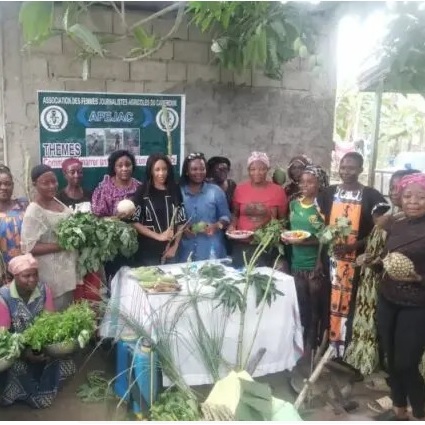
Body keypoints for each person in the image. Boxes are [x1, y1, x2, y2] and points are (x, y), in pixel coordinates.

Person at [345, 169, 419, 378]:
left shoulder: (411, 224)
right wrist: (369, 260)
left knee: (402, 345)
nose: (395, 192)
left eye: (400, 188)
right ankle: (382, 372)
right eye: (392, 188)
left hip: (407, 292)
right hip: (377, 282)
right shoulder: (388, 219)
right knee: (381, 331)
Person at [316, 152, 387, 358]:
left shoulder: (371, 196)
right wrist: (318, 261)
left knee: (353, 305)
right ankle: (329, 347)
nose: (346, 172)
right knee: (329, 303)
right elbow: (322, 229)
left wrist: (355, 245)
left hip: (357, 263)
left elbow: (379, 231)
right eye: (343, 167)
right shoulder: (328, 194)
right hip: (331, 262)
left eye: (352, 168)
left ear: (360, 170)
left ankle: (348, 351)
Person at [375, 173, 425, 420]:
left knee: (406, 363)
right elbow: (389, 258)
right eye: (408, 196)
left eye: (421, 197)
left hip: (416, 305)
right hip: (388, 298)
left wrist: (418, 279)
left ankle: (420, 411)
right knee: (390, 359)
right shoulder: (397, 224)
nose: (414, 201)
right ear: (400, 198)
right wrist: (375, 263)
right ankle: (398, 409)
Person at [0, 254, 75, 408]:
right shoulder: (4, 297)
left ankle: (43, 392)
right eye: (26, 276)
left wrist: (46, 345)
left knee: (62, 360)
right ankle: (16, 395)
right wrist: (24, 353)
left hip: (39, 345)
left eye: (35, 274)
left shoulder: (43, 290)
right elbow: (4, 337)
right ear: (14, 276)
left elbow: (50, 320)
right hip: (16, 351)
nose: (32, 279)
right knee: (18, 368)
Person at [20, 165, 79, 311]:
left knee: (69, 313)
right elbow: (28, 247)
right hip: (51, 276)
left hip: (67, 272)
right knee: (55, 315)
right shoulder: (34, 211)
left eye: (54, 181)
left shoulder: (57, 201)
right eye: (46, 183)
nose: (52, 186)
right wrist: (61, 245)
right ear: (35, 185)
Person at [284, 165, 328, 355]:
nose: (305, 186)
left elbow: (326, 236)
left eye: (310, 182)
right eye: (302, 182)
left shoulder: (321, 208)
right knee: (302, 305)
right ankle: (302, 345)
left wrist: (318, 261)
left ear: (319, 184)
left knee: (315, 308)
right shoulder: (294, 204)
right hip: (297, 264)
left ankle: (314, 344)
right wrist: (286, 237)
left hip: (313, 266)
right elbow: (290, 229)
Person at [229, 152, 288, 269]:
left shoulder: (278, 191)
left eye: (262, 169)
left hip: (266, 245)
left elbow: (282, 219)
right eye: (253, 169)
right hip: (242, 244)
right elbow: (235, 214)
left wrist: (280, 231)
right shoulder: (240, 190)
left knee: (263, 280)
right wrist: (232, 227)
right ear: (248, 170)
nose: (257, 173)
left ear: (268, 169)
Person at [131, 153, 186, 266]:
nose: (161, 173)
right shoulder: (143, 191)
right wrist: (159, 236)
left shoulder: (174, 189)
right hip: (148, 252)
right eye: (157, 169)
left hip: (171, 251)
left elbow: (181, 220)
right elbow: (133, 221)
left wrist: (175, 246)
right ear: (151, 171)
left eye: (164, 169)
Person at [178, 153, 231, 262]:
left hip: (212, 251)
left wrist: (217, 226)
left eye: (202, 169)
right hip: (185, 251)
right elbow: (172, 218)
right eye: (194, 169)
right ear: (187, 171)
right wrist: (183, 228)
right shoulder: (178, 192)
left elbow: (226, 217)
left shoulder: (215, 191)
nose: (199, 172)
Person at [91, 150, 141, 218]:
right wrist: (117, 218)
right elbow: (97, 218)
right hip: (110, 227)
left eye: (128, 165)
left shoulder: (139, 187)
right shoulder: (104, 189)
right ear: (114, 168)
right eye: (120, 166)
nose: (124, 169)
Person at [0, 166, 28, 285]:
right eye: (0, 184)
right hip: (3, 273)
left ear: (13, 185)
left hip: (26, 270)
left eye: (7, 184)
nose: (3, 188)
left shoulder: (23, 204)